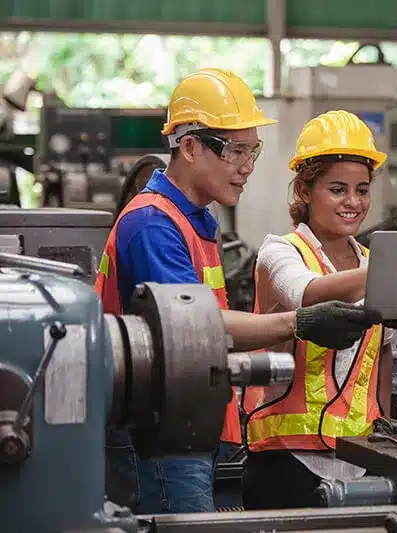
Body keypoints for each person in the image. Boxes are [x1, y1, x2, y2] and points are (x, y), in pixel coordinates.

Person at [94, 69, 380, 514]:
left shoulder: (194, 222)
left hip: (189, 420)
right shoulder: (153, 224)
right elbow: (193, 329)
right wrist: (300, 322)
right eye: (235, 150)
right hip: (154, 429)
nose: (247, 165)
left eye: (253, 150)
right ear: (189, 147)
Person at [241, 110, 393, 510]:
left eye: (362, 190)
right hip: (285, 461)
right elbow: (307, 293)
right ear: (305, 191)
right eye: (338, 189)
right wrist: (391, 269)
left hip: (361, 458)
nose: (353, 202)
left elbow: (384, 357)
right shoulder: (282, 251)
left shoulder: (372, 261)